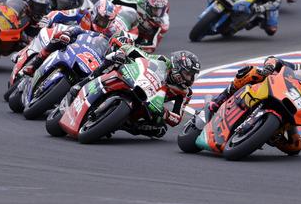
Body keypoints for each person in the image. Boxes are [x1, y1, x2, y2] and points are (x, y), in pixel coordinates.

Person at [207, 56, 301, 155]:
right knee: (253, 72)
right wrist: (269, 67)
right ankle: (220, 99)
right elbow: (275, 60)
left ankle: (268, 134)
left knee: (296, 147)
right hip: (277, 90)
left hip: (292, 115)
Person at [65, 44, 201, 138]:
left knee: (160, 129)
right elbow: (142, 56)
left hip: (150, 104)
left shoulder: (185, 93)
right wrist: (125, 52)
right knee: (114, 58)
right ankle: (83, 83)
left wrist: (163, 113)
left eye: (192, 75)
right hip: (136, 82)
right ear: (177, 67)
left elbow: (176, 118)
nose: (189, 79)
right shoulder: (163, 61)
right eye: (188, 74)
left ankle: (120, 124)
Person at [40, 0, 121, 36]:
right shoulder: (83, 13)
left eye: (105, 22)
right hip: (73, 40)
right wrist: (48, 19)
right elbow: (61, 13)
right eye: (101, 19)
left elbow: (122, 42)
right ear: (95, 13)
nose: (102, 23)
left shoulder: (112, 31)